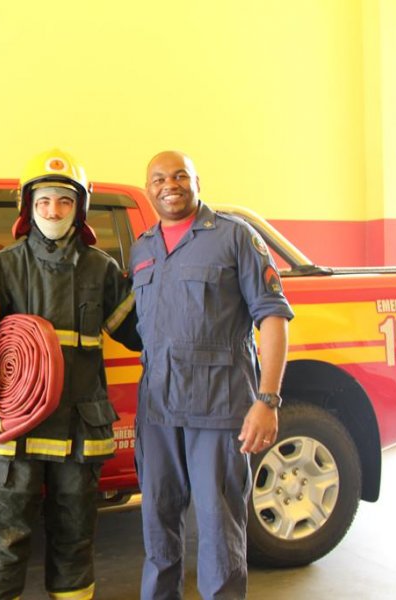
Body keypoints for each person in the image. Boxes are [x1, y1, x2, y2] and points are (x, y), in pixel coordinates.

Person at [0, 148, 140, 600]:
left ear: (80, 207)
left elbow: (137, 332)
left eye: (63, 201)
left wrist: (171, 294)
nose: (53, 211)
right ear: (28, 208)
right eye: (43, 202)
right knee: (4, 530)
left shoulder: (102, 269)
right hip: (15, 426)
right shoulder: (4, 266)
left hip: (79, 424)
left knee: (75, 530)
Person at [129, 151, 294, 599]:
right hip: (158, 411)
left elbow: (273, 319)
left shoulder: (234, 238)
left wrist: (268, 400)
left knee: (220, 533)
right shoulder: (142, 248)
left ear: (197, 181)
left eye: (180, 175)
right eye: (159, 178)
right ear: (148, 189)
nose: (170, 184)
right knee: (157, 530)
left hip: (218, 409)